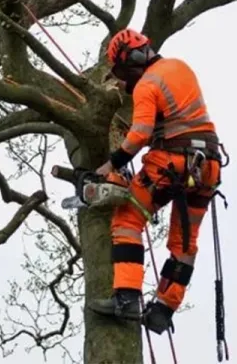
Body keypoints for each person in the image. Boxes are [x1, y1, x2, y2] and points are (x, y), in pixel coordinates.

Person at [88, 28, 224, 335]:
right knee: (184, 243)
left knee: (127, 219)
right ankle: (163, 310)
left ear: (128, 63)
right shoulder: (179, 66)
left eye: (121, 74)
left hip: (172, 162)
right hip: (209, 167)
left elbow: (140, 134)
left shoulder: (146, 84)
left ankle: (126, 298)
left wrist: (111, 163)